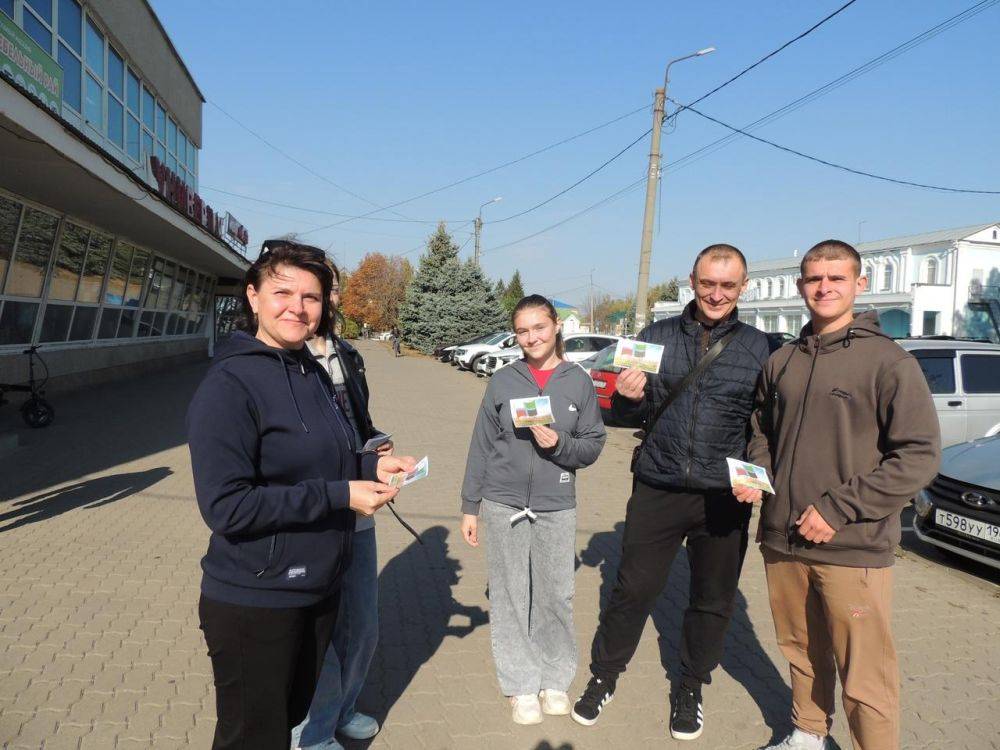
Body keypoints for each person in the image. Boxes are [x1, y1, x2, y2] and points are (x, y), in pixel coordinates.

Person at [187, 240, 416, 750]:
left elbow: (326, 455)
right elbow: (226, 507)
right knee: (252, 737)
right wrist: (341, 495)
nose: (298, 306)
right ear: (253, 296)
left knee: (287, 721)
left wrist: (372, 465)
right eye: (283, 291)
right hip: (257, 598)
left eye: (311, 296)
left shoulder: (308, 368)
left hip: (315, 588)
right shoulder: (229, 383)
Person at [745, 240, 940, 750]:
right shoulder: (782, 360)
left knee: (865, 674)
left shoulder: (889, 363)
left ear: (860, 284)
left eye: (836, 277)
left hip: (852, 546)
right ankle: (809, 734)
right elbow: (761, 429)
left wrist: (838, 508)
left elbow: (918, 456)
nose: (824, 287)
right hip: (782, 539)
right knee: (801, 649)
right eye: (814, 278)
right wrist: (757, 475)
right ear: (800, 286)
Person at [572, 244, 770, 742]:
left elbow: (764, 426)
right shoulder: (655, 338)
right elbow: (622, 416)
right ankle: (604, 675)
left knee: (712, 600)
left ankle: (690, 686)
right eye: (708, 283)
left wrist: (756, 475)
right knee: (632, 590)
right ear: (692, 281)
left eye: (728, 285)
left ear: (743, 286)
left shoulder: (760, 348)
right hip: (658, 487)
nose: (716, 294)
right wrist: (626, 397)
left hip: (723, 498)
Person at [461, 295, 607, 725]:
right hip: (502, 501)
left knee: (555, 593)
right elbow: (481, 445)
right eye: (522, 331)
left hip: (556, 504)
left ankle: (555, 677)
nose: (531, 338)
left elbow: (594, 443)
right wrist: (470, 506)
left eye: (539, 328)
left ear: (556, 326)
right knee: (509, 596)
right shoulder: (504, 381)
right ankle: (521, 683)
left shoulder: (577, 381)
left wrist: (559, 445)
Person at [291, 259, 392, 750]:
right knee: (317, 636)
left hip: (359, 506)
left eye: (325, 291)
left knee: (363, 628)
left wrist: (378, 447)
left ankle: (342, 710)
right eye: (307, 291)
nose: (315, 301)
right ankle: (310, 733)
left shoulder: (347, 353)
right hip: (310, 514)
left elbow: (359, 424)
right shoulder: (283, 360)